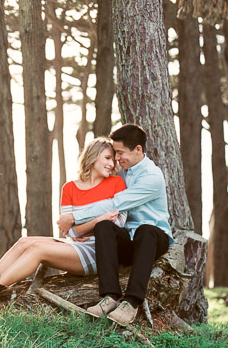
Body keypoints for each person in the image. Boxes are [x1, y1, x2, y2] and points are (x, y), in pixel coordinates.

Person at [0, 137, 127, 311]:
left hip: (100, 252)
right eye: (107, 158)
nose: (112, 164)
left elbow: (117, 225)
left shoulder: (116, 183)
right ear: (93, 156)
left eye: (113, 160)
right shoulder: (70, 188)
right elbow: (69, 232)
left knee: (37, 248)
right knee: (24, 242)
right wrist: (97, 221)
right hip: (75, 245)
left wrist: (82, 227)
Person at [56, 123, 172, 326]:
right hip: (129, 241)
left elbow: (115, 203)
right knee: (103, 226)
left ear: (138, 149)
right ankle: (109, 297)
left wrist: (74, 217)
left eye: (120, 153)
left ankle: (132, 302)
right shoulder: (122, 173)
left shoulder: (152, 177)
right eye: (115, 154)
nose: (117, 159)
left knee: (146, 230)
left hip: (153, 240)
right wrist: (81, 228)